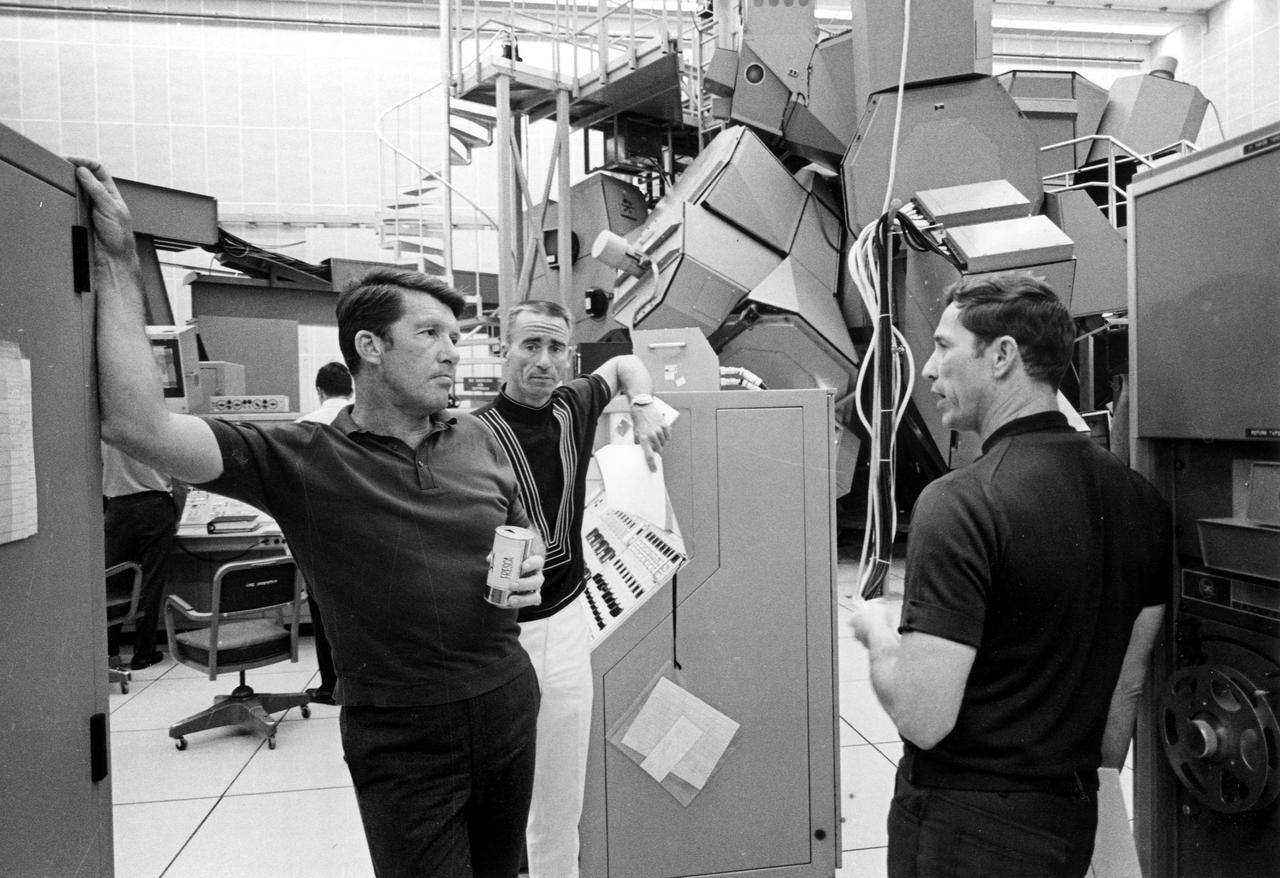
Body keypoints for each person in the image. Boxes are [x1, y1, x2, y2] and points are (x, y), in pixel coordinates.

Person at [75, 156, 545, 878]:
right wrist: (115, 263)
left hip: (508, 700)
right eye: (431, 336)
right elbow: (137, 425)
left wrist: (532, 565)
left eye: (456, 338)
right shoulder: (301, 458)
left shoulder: (479, 435)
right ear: (370, 348)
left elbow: (519, 533)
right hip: (402, 727)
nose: (454, 354)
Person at [849, 274, 1171, 878]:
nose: (926, 370)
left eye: (943, 347)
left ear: (1002, 356)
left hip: (961, 830)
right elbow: (1121, 703)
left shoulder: (960, 503)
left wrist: (876, 636)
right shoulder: (1143, 503)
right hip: (1067, 822)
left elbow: (924, 716)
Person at [474, 300, 669, 878]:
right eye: (530, 346)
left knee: (561, 796)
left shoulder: (573, 406)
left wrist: (644, 403)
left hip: (565, 625)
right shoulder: (470, 434)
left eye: (557, 348)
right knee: (497, 794)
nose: (544, 360)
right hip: (498, 637)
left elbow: (628, 362)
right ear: (503, 351)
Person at [294, 361, 354, 706]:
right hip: (363, 534)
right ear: (351, 389)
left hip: (318, 537)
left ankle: (331, 685)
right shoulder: (362, 421)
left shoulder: (304, 426)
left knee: (322, 612)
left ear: (319, 391)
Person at [102, 444, 183, 670]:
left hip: (117, 508)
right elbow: (179, 484)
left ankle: (110, 652)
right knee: (151, 582)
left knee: (114, 581)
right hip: (156, 506)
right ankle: (144, 654)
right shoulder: (157, 434)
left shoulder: (107, 435)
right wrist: (176, 518)